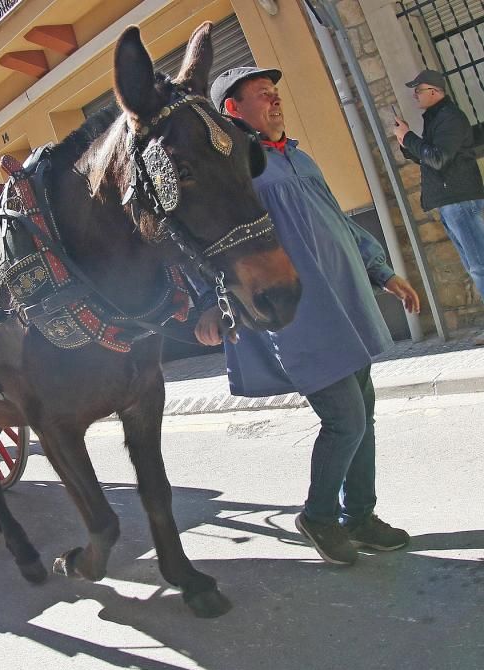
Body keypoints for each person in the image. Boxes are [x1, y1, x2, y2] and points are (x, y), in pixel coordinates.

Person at [202, 67, 421, 566]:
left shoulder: (298, 157)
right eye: (262, 96)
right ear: (233, 110)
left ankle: (360, 516)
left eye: (276, 92)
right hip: (298, 315)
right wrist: (207, 303)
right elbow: (208, 239)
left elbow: (339, 221)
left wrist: (383, 272)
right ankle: (319, 516)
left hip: (346, 304)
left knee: (362, 414)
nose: (275, 100)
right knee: (344, 418)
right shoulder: (237, 171)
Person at [394, 69, 484, 343]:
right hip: (450, 203)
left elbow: (438, 158)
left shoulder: (450, 118)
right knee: (474, 265)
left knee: (479, 265)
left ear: (434, 91)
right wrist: (406, 143)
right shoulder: (436, 119)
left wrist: (410, 137)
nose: (414, 95)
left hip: (460, 201)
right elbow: (427, 157)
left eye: (418, 90)